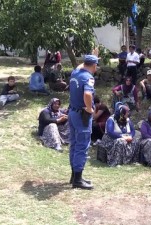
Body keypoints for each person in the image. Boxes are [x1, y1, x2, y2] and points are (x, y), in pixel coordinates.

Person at [68, 54, 98, 190]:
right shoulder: (88, 78)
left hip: (72, 112)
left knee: (74, 144)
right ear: (94, 66)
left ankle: (74, 176)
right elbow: (87, 94)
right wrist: (90, 109)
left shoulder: (76, 73)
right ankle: (78, 180)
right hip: (82, 115)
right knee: (82, 146)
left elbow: (80, 66)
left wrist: (93, 56)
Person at [99, 102, 138, 166]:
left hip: (125, 137)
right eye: (127, 112)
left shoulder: (127, 120)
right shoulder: (111, 119)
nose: (128, 114)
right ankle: (116, 162)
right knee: (120, 142)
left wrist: (130, 136)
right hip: (111, 139)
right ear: (122, 113)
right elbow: (110, 132)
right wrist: (122, 137)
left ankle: (131, 161)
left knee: (135, 141)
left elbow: (133, 131)